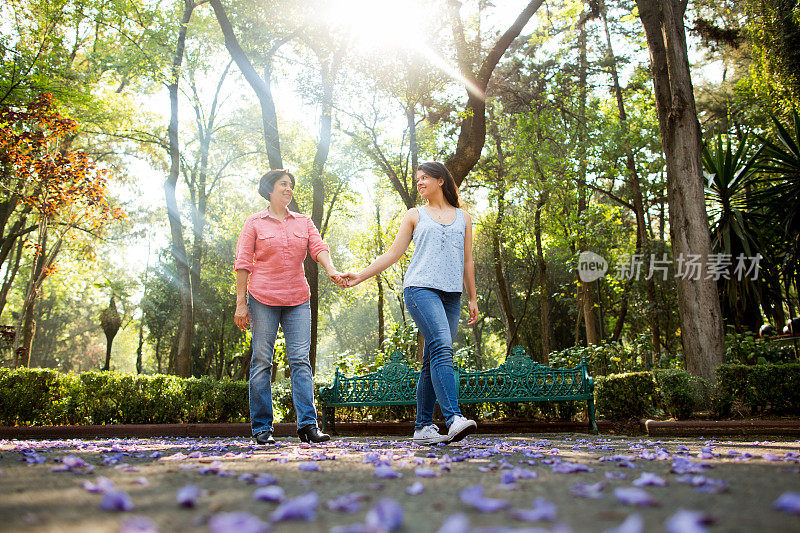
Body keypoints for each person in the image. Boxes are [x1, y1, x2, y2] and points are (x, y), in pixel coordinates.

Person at [342, 161, 479, 445]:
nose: (419, 183)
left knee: (433, 358)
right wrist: (360, 276)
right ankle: (454, 418)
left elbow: (467, 260)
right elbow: (393, 254)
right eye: (417, 179)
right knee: (442, 346)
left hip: (452, 295)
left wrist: (473, 298)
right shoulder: (415, 215)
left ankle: (422, 428)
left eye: (425, 178)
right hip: (420, 289)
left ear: (441, 181)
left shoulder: (463, 218)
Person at [234, 169, 343, 445]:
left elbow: (319, 247)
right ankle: (261, 428)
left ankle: (308, 426)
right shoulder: (254, 223)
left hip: (297, 300)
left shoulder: (304, 222)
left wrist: (330, 269)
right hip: (262, 299)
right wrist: (241, 304)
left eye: (291, 185)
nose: (288, 189)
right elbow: (243, 263)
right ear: (269, 189)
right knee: (261, 361)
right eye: (283, 184)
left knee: (300, 361)